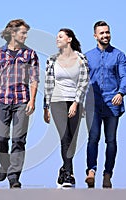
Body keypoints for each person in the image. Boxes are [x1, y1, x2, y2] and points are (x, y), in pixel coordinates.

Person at [0, 19, 40, 189]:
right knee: (0, 137)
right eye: (22, 32)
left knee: (19, 139)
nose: (25, 36)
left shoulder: (30, 54)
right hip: (3, 100)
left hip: (22, 101)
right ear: (12, 33)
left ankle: (14, 176)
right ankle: (5, 162)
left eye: (26, 33)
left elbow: (34, 79)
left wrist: (32, 100)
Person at [84, 21, 126, 188]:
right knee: (93, 138)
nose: (105, 35)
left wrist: (120, 93)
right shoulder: (87, 56)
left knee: (110, 140)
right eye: (101, 33)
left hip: (112, 103)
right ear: (95, 36)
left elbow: (125, 76)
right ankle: (91, 171)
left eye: (107, 32)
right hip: (93, 104)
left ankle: (107, 174)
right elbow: (82, 80)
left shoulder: (119, 55)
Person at [43, 28, 89, 188]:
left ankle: (63, 169)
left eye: (61, 37)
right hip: (57, 101)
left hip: (74, 100)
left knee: (72, 139)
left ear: (69, 39)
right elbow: (48, 84)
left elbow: (83, 83)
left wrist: (76, 103)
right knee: (65, 136)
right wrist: (46, 107)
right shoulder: (52, 60)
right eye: (56, 37)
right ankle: (69, 174)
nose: (57, 39)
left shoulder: (81, 58)